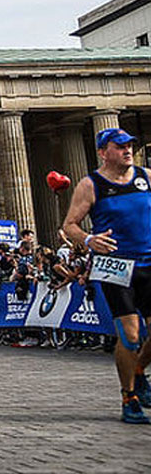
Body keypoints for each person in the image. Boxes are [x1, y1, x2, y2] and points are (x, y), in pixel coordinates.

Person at [62, 128, 151, 424]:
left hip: (149, 262)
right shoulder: (90, 185)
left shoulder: (147, 176)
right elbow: (70, 225)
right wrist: (89, 240)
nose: (128, 151)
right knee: (130, 334)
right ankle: (129, 397)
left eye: (130, 145)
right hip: (115, 265)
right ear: (103, 152)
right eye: (120, 146)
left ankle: (138, 371)